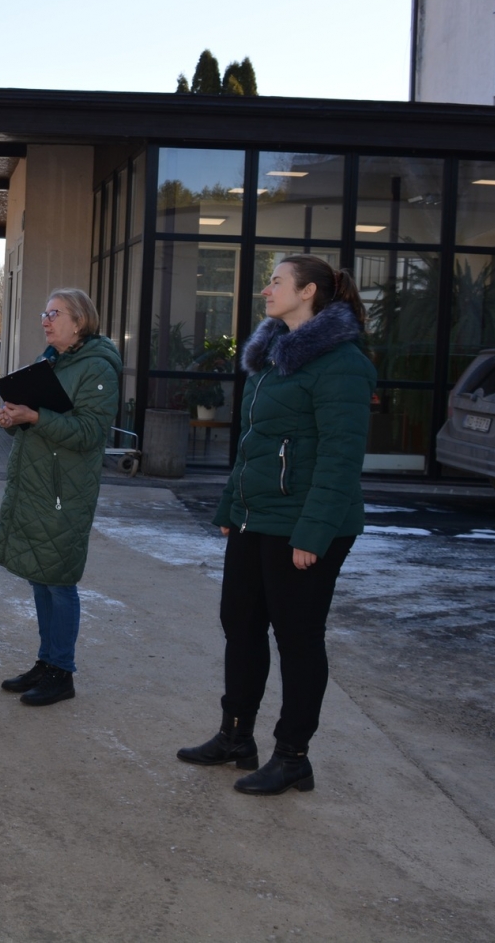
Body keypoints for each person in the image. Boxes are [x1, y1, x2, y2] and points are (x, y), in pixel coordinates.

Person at [177, 255, 374, 795]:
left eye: (276, 281)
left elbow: (340, 458)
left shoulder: (341, 362)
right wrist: (230, 508)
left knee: (298, 639)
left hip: (307, 524)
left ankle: (293, 757)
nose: (266, 290)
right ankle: (236, 737)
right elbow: (254, 446)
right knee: (240, 626)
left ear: (308, 292)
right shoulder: (273, 356)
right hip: (256, 517)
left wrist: (313, 534)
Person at [0, 289, 119, 707]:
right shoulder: (50, 361)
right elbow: (36, 417)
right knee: (40, 575)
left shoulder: (97, 367)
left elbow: (89, 433)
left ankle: (62, 673)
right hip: (36, 484)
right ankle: (46, 662)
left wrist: (35, 416)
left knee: (59, 580)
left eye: (55, 314)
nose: (45, 320)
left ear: (79, 321)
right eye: (44, 313)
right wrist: (13, 417)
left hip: (66, 490)